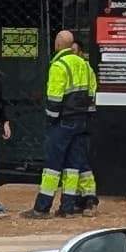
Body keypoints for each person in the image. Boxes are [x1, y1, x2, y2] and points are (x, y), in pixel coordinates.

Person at [32, 27, 99, 218]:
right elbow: (92, 93)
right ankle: (68, 207)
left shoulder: (59, 66)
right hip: (82, 121)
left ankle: (42, 207)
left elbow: (54, 99)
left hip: (63, 121)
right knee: (73, 165)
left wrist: (51, 120)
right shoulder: (85, 65)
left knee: (53, 166)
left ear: (58, 44)